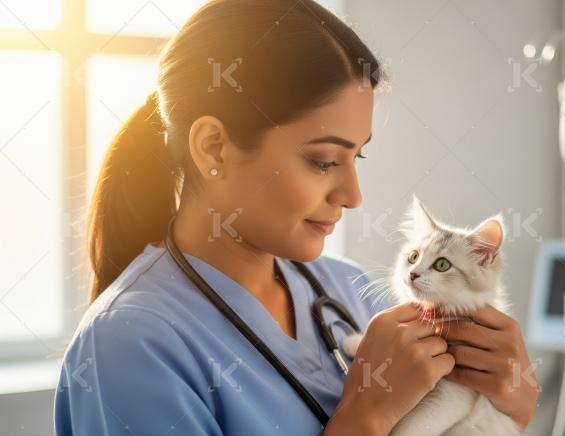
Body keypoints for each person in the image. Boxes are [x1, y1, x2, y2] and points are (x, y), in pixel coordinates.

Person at [53, 0, 538, 434]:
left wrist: (510, 406)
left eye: (358, 159)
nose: (352, 196)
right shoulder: (129, 345)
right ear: (213, 147)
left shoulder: (348, 290)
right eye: (324, 161)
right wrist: (365, 417)